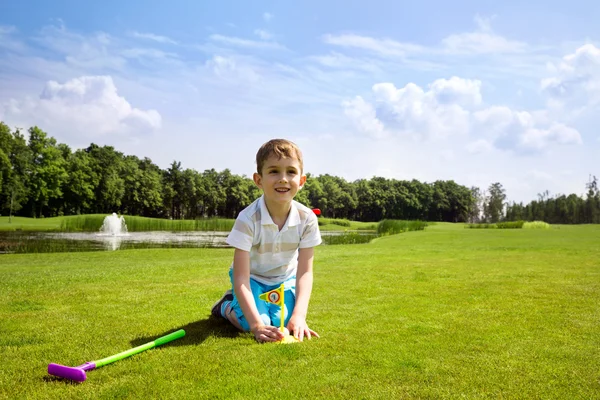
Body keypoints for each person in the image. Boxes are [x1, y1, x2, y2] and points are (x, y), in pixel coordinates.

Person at [211, 138, 322, 343]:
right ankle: (225, 306)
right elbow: (241, 277)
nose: (283, 179)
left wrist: (300, 316)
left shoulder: (307, 218)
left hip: (283, 279)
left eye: (291, 172)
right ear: (259, 179)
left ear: (302, 180)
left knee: (285, 323)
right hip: (251, 279)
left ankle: (273, 311)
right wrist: (256, 326)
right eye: (273, 171)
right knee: (255, 322)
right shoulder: (248, 218)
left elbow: (305, 272)